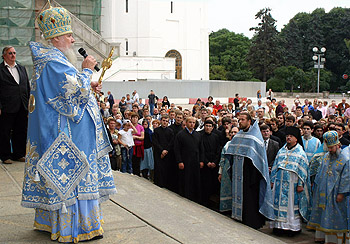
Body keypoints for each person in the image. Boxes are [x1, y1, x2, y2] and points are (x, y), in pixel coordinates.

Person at [21, 6, 116, 242]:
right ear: (55, 39)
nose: (73, 39)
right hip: (66, 136)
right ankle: (78, 227)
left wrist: (86, 82)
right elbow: (71, 101)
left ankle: (55, 222)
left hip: (64, 133)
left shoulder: (53, 60)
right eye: (69, 35)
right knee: (73, 178)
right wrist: (85, 73)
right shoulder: (53, 62)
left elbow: (67, 89)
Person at [223, 112, 274, 229]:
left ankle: (251, 221)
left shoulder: (255, 137)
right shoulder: (238, 136)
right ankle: (238, 216)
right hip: (238, 172)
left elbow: (259, 160)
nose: (240, 121)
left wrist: (252, 176)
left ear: (249, 121)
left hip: (251, 175)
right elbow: (231, 153)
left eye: (242, 119)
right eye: (239, 119)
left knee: (250, 199)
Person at [308, 131, 350, 243]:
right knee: (323, 214)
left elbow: (347, 178)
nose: (330, 150)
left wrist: (341, 193)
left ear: (338, 145)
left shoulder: (345, 159)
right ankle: (324, 238)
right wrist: (316, 186)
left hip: (336, 194)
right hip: (323, 192)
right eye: (328, 147)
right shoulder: (326, 156)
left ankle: (336, 241)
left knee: (337, 217)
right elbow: (320, 172)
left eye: (332, 147)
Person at [270, 126, 310, 236]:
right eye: (287, 136)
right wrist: (272, 180)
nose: (288, 138)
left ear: (296, 138)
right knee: (278, 205)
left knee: (290, 207)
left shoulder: (301, 152)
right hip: (279, 183)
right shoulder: (282, 150)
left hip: (292, 184)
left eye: (291, 136)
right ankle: (278, 226)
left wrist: (300, 184)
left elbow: (303, 170)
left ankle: (291, 228)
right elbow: (275, 166)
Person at [0, 46, 30, 164]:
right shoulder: (0, 70)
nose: (13, 55)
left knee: (21, 131)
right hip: (7, 106)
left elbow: (26, 87)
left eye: (14, 53)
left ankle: (19, 154)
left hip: (22, 105)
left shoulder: (21, 68)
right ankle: (5, 155)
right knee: (4, 132)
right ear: (4, 56)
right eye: (10, 53)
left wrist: (28, 105)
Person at [174, 116, 204, 203]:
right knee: (185, 179)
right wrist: (179, 161)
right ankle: (185, 195)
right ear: (186, 123)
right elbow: (177, 149)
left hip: (195, 161)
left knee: (195, 179)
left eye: (193, 123)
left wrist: (201, 160)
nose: (192, 124)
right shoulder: (180, 135)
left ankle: (194, 197)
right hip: (185, 161)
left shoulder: (198, 135)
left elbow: (201, 149)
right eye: (190, 122)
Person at [200, 120, 221, 207]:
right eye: (206, 126)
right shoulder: (200, 136)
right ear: (204, 126)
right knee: (205, 183)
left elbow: (218, 150)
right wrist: (206, 162)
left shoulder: (216, 137)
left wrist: (215, 162)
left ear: (213, 127)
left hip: (214, 164)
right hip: (205, 164)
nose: (208, 128)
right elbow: (201, 151)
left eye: (210, 126)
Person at [152, 115, 174, 188]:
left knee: (165, 168)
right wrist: (161, 150)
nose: (165, 122)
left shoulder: (170, 131)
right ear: (161, 121)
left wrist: (166, 151)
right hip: (158, 152)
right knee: (158, 168)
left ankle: (165, 184)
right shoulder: (156, 130)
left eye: (166, 121)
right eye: (164, 121)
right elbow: (155, 142)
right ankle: (158, 182)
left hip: (167, 153)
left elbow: (171, 142)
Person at [130, 112, 144, 176]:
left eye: (136, 118)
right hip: (131, 146)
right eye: (133, 118)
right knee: (131, 161)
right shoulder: (129, 126)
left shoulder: (140, 127)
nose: (135, 119)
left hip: (138, 146)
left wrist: (136, 137)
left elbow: (142, 137)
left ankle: (137, 174)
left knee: (137, 162)